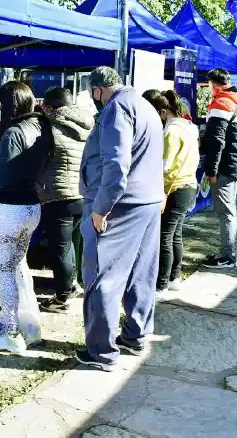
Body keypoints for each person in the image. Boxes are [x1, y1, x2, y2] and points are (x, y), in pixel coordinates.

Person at [75, 67, 164, 371]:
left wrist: (101, 208)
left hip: (121, 205)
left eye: (93, 94)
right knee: (141, 272)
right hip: (147, 201)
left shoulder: (116, 109)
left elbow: (117, 163)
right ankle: (135, 335)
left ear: (99, 90)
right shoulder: (145, 105)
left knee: (103, 276)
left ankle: (102, 351)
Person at [0, 81, 53, 353]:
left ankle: (10, 332)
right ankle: (26, 325)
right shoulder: (42, 127)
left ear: (11, 105)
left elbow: (0, 176)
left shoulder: (14, 132)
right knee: (18, 266)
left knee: (6, 271)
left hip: (7, 209)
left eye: (1, 104)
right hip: (31, 205)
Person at [37, 87, 94, 313]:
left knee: (59, 249)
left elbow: (39, 160)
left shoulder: (50, 128)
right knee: (69, 245)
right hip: (81, 193)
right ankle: (72, 286)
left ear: (51, 107)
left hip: (58, 195)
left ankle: (62, 297)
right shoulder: (87, 125)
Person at [143, 90, 200, 299]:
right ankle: (175, 277)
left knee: (165, 237)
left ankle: (161, 285)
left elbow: (165, 166)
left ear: (163, 112)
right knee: (175, 235)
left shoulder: (171, 132)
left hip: (174, 188)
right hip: (187, 186)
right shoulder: (188, 128)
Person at [201, 68, 237, 270]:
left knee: (226, 212)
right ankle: (226, 252)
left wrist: (211, 171)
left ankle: (227, 256)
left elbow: (216, 143)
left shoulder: (221, 103)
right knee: (228, 210)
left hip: (225, 166)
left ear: (214, 84)